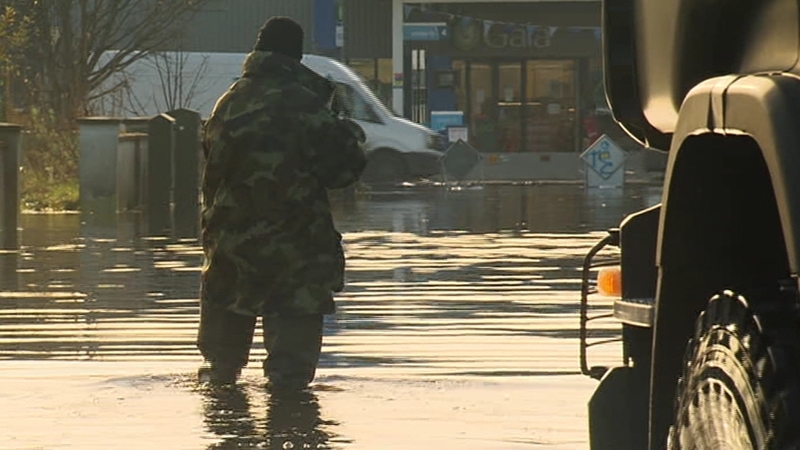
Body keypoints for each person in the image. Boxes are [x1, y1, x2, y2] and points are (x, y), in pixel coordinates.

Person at [197, 16, 367, 389]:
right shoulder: (306, 106)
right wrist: (349, 131)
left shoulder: (227, 102)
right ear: (297, 56)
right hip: (296, 253)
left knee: (220, 374)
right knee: (290, 381)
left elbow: (210, 171)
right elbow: (343, 173)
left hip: (230, 251)